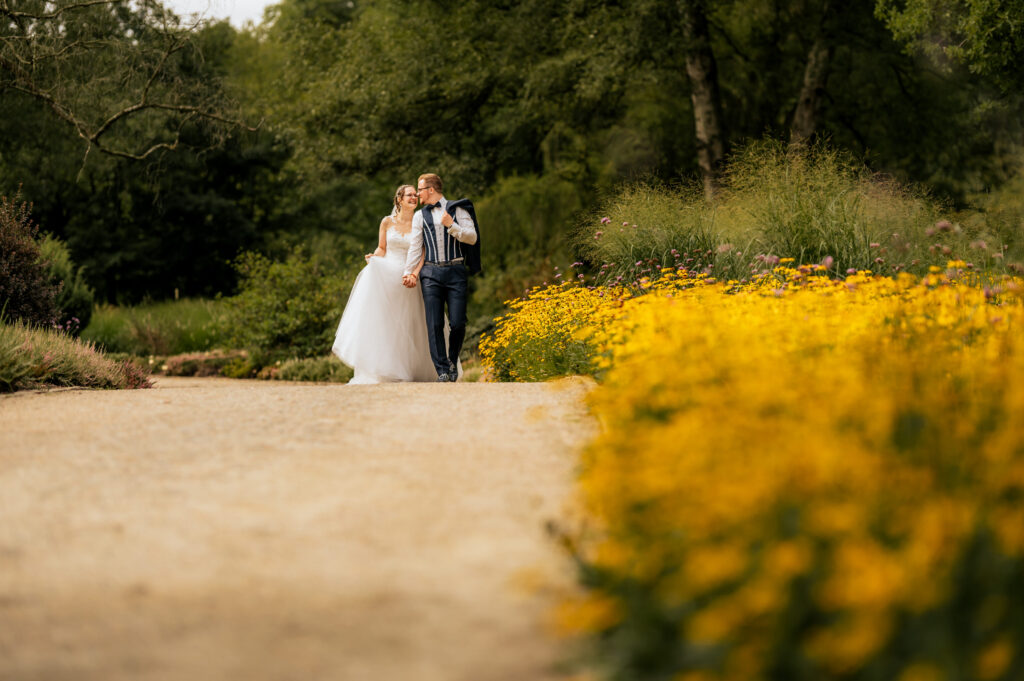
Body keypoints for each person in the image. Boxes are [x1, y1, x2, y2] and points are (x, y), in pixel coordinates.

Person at [331, 185, 440, 384]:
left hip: (409, 278)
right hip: (387, 276)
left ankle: (413, 369)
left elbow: (424, 253)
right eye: (409, 195)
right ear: (399, 199)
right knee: (386, 323)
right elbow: (382, 248)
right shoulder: (386, 222)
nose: (414, 198)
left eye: (415, 195)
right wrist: (374, 256)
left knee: (410, 323)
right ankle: (385, 370)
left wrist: (414, 274)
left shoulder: (421, 222)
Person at [402, 173, 480, 382]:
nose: (418, 194)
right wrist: (408, 272)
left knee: (458, 323)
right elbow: (415, 247)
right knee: (434, 323)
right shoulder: (420, 216)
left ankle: (452, 360)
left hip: (455, 272)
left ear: (431, 190)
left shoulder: (458, 209)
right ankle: (442, 370)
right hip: (430, 274)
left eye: (420, 189)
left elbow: (472, 238)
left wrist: (451, 225)